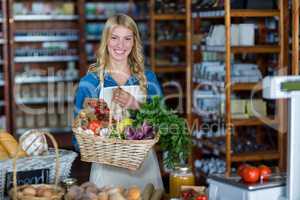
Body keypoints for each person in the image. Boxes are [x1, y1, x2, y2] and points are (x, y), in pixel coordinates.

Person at [73, 14, 164, 189]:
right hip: (106, 171)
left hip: (144, 168)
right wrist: (96, 129)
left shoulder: (147, 78)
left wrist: (135, 105)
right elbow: (79, 134)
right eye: (114, 38)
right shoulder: (91, 82)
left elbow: (163, 122)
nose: (120, 45)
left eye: (127, 39)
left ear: (134, 42)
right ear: (106, 41)